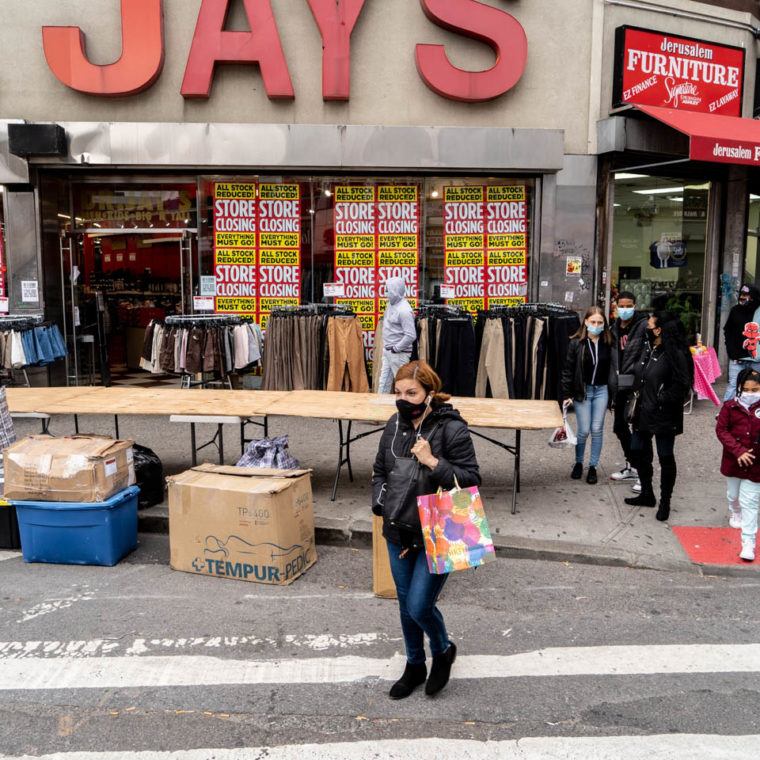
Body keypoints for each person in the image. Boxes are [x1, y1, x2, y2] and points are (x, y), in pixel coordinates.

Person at [371, 360, 480, 699]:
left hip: (439, 529)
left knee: (419, 606)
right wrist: (381, 503)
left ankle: (443, 649)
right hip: (398, 528)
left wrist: (433, 462)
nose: (404, 399)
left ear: (430, 393)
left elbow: (471, 481)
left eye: (412, 393)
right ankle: (415, 664)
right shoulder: (394, 425)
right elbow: (379, 471)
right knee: (405, 606)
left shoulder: (452, 429)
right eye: (399, 392)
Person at [624, 311, 693, 522]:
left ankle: (665, 502)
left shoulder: (676, 354)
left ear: (659, 329)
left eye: (651, 322)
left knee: (665, 457)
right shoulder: (648, 347)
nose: (647, 324)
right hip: (642, 412)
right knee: (637, 451)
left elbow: (682, 386)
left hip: (664, 415)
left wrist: (661, 398)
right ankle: (647, 493)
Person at [561, 305, 618, 485]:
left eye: (600, 322)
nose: (596, 325)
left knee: (597, 430)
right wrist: (566, 393)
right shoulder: (576, 342)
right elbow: (568, 370)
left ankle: (592, 466)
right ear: (585, 322)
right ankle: (578, 463)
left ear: (604, 324)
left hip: (601, 390)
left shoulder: (609, 342)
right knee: (584, 430)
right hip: (583, 391)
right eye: (593, 321)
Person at [715, 368, 760, 561]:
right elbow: (721, 430)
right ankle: (735, 510)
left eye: (755, 389)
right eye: (747, 389)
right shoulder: (729, 407)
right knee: (734, 495)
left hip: (757, 466)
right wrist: (738, 450)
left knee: (750, 502)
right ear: (739, 388)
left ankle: (748, 542)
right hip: (734, 462)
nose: (751, 393)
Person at [609, 291, 649, 482]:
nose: (625, 309)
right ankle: (631, 465)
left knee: (638, 429)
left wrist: (634, 371)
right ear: (616, 306)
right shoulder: (614, 327)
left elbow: (644, 354)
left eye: (628, 305)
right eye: (621, 306)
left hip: (637, 384)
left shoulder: (643, 326)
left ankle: (642, 472)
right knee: (619, 426)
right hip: (620, 385)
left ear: (635, 305)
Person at [377, 276, 417, 394]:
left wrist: (396, 348)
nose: (385, 292)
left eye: (388, 289)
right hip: (389, 351)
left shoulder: (404, 310)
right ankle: (379, 406)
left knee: (403, 384)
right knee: (383, 382)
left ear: (395, 290)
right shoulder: (391, 304)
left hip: (399, 354)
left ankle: (406, 408)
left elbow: (410, 335)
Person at [723, 283, 760, 402]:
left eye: (746, 295)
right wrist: (731, 352)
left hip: (757, 360)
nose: (742, 297)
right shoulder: (735, 310)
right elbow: (728, 331)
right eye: (741, 294)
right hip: (737, 359)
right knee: (734, 386)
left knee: (757, 387)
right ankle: (726, 415)